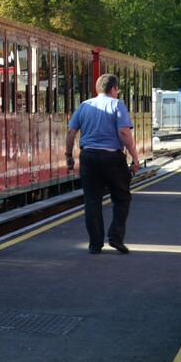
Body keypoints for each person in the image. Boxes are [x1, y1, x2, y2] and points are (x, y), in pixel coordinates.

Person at [65, 73, 141, 254]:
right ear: (114, 89)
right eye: (118, 90)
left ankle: (94, 244)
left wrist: (69, 155)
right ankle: (115, 236)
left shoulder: (84, 105)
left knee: (92, 201)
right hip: (112, 158)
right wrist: (134, 157)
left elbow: (70, 132)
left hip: (89, 157)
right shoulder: (117, 104)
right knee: (122, 199)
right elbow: (124, 132)